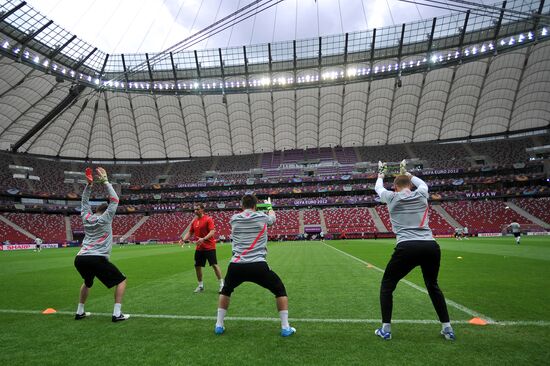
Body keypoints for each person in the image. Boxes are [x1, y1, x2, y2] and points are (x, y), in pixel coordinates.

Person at [374, 161, 454, 341]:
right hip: (430, 245)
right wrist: (407, 173)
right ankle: (447, 328)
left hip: (407, 246)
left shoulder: (391, 197)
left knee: (387, 285)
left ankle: (386, 329)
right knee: (432, 286)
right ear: (410, 184)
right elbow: (422, 184)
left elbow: (378, 187)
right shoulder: (421, 193)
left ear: (394, 187)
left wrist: (381, 173)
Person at [214, 194, 296, 337]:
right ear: (255, 205)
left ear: (241, 206)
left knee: (226, 291)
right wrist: (269, 206)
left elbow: (246, 216)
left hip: (236, 265)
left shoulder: (233, 219)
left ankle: (219, 325)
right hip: (258, 264)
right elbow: (272, 218)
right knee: (279, 290)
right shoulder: (262, 217)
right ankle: (285, 327)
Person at [73, 167, 129, 322]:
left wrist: (89, 186)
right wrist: (105, 181)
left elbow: (84, 201)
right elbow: (115, 200)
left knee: (87, 282)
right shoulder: (106, 218)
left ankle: (80, 311)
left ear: (96, 209)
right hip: (97, 258)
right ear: (106, 211)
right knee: (122, 280)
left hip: (80, 258)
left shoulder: (86, 216)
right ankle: (117, 314)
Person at [181, 204, 224, 293]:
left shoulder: (208, 219)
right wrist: (183, 239)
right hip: (199, 248)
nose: (195, 211)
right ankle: (200, 286)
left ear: (202, 210)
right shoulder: (194, 221)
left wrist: (203, 239)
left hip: (209, 247)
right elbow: (190, 232)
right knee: (197, 266)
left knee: (214, 265)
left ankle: (222, 285)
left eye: (197, 209)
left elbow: (212, 231)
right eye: (194, 209)